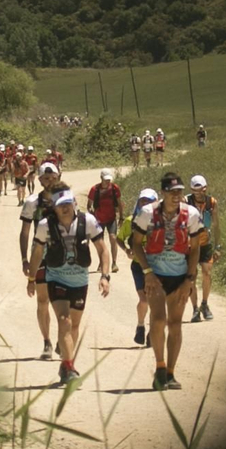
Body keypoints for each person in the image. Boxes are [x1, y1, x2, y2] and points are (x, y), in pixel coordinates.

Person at [129, 172, 204, 391]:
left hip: (179, 276)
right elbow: (136, 244)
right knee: (159, 319)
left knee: (176, 325)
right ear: (162, 193)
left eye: (179, 192)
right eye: (171, 192)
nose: (176, 196)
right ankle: (160, 367)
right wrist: (148, 272)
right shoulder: (147, 213)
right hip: (156, 276)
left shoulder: (190, 214)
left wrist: (189, 280)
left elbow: (195, 247)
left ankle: (170, 372)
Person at [27, 186, 109, 386]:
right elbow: (38, 252)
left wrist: (105, 276)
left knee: (74, 325)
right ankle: (69, 366)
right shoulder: (46, 225)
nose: (65, 209)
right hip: (56, 278)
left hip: (80, 281)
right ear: (54, 208)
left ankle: (65, 363)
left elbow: (102, 249)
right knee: (64, 321)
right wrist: (31, 278)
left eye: (68, 204)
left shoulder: (87, 221)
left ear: (74, 204)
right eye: (60, 206)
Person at [19, 161, 64, 360]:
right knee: (43, 300)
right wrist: (24, 259)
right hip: (41, 256)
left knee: (63, 301)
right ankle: (47, 341)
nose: (49, 181)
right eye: (45, 178)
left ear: (58, 177)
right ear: (39, 180)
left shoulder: (66, 201)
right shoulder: (32, 203)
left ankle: (62, 339)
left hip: (63, 256)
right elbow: (25, 232)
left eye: (52, 178)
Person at [119, 187, 157, 346]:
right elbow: (120, 238)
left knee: (154, 301)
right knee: (144, 300)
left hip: (157, 266)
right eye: (143, 201)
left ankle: (151, 333)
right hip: (138, 265)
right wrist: (127, 250)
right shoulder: (130, 221)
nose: (145, 204)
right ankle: (141, 326)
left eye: (149, 201)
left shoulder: (162, 222)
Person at [186, 174, 221, 322]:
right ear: (192, 190)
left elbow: (216, 224)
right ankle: (195, 309)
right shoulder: (185, 201)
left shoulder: (211, 202)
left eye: (202, 189)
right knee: (192, 276)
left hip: (205, 242)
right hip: (189, 245)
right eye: (196, 189)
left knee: (207, 272)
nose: (200, 192)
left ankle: (204, 304)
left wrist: (218, 245)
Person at [86, 168, 124, 275]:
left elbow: (119, 203)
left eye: (109, 180)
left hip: (111, 218)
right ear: (101, 178)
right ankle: (101, 263)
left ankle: (114, 263)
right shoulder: (94, 190)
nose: (108, 182)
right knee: (100, 242)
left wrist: (121, 217)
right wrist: (92, 214)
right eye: (106, 179)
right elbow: (89, 205)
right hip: (99, 220)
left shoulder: (115, 188)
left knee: (113, 238)